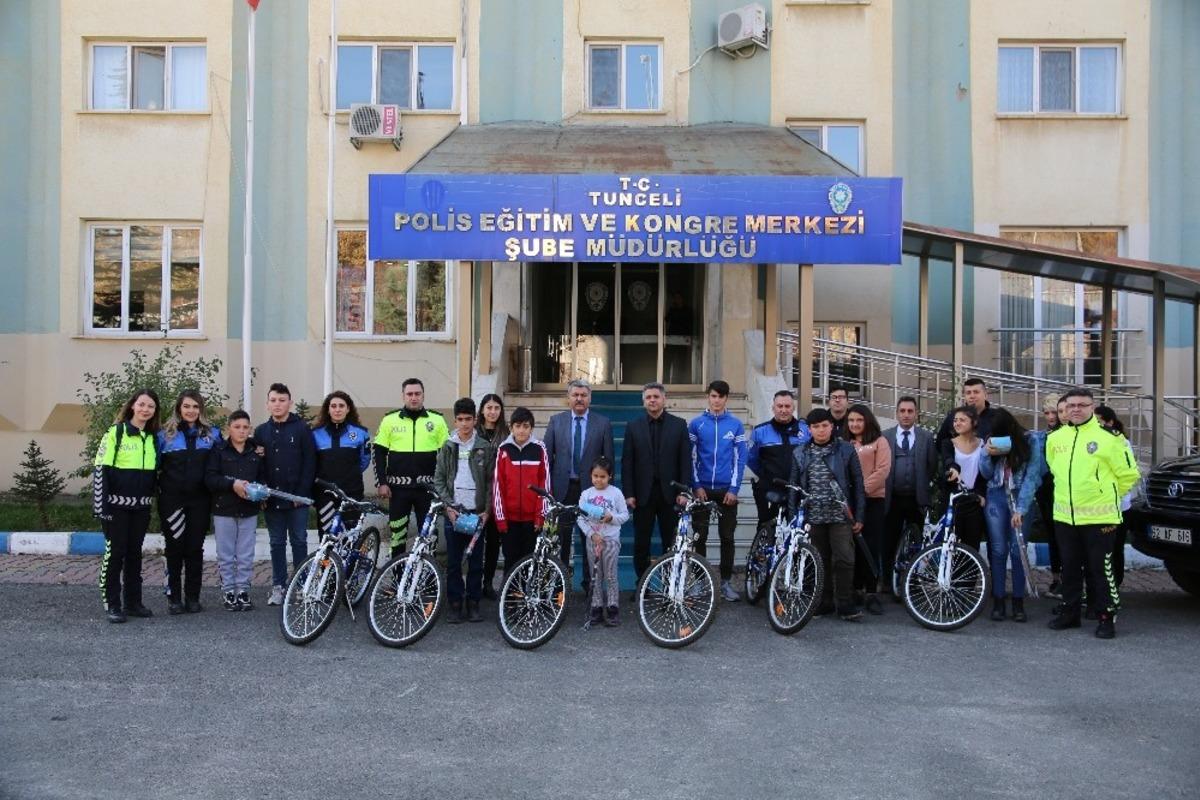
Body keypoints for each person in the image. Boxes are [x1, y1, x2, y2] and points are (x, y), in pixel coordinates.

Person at [1046, 388, 1140, 639]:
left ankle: (1106, 616)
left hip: (1101, 518)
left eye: (1082, 405)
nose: (1076, 409)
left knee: (1101, 569)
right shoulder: (1056, 438)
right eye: (1071, 405)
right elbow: (1055, 470)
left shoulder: (1111, 438)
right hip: (1065, 516)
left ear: (1092, 407)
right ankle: (1070, 613)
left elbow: (1128, 475)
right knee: (1070, 568)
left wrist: (1105, 495)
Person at [788, 408, 866, 621]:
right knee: (818, 561)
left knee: (844, 559)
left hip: (841, 515)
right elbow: (793, 487)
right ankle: (824, 601)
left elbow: (858, 484)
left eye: (824, 426)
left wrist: (859, 516)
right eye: (816, 427)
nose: (821, 430)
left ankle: (845, 603)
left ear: (832, 427)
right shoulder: (800, 452)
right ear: (809, 429)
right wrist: (794, 517)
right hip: (813, 516)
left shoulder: (846, 450)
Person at [93, 389, 161, 623]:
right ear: (133, 406)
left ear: (155, 411)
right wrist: (101, 507)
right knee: (116, 553)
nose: (145, 409)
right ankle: (112, 603)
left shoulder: (153, 438)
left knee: (134, 554)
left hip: (141, 507)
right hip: (115, 507)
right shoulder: (116, 433)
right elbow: (101, 469)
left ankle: (133, 602)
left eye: (150, 406)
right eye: (142, 404)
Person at [542, 380, 614, 594]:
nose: (579, 399)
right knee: (561, 540)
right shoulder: (556, 422)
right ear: (569, 398)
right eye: (575, 395)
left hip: (591, 493)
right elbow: (547, 459)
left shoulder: (602, 423)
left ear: (589, 398)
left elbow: (609, 461)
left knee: (590, 541)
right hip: (562, 490)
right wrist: (548, 492)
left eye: (583, 395)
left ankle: (589, 585)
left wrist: (608, 495)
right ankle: (559, 585)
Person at [157, 390, 221, 615]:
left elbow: (226, 458)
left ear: (201, 409)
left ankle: (193, 597)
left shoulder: (212, 435)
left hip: (200, 501)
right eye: (186, 406)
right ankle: (173, 597)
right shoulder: (165, 436)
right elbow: (153, 467)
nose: (191, 411)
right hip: (172, 501)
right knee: (174, 548)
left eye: (195, 406)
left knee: (195, 549)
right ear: (178, 409)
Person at [979, 408, 1046, 622]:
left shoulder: (1030, 441)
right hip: (996, 495)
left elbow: (1033, 476)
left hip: (1020, 495)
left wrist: (1022, 509)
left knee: (1018, 550)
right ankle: (998, 600)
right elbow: (986, 474)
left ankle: (1018, 601)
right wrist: (986, 454)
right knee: (998, 550)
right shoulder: (992, 442)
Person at [621, 382, 691, 588]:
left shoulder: (679, 425)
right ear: (644, 401)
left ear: (664, 400)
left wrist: (684, 490)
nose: (652, 400)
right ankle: (642, 586)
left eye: (656, 397)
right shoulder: (633, 427)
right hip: (642, 495)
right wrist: (629, 493)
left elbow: (685, 461)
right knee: (641, 543)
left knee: (670, 543)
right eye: (648, 397)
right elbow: (627, 463)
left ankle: (670, 587)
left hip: (671, 495)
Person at [434, 398, 495, 624]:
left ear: (475, 419)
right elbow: (439, 480)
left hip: (476, 513)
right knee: (453, 562)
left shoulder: (485, 447)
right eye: (460, 420)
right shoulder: (448, 446)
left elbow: (490, 482)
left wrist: (487, 510)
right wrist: (448, 506)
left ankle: (474, 603)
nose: (464, 424)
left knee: (476, 562)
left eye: (468, 419)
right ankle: (455, 603)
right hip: (454, 512)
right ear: (455, 420)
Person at [256, 383, 317, 606]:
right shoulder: (261, 431)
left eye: (282, 400)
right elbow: (258, 464)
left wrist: (299, 495)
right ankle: (279, 587)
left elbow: (310, 462)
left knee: (299, 541)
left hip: (297, 500)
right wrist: (262, 492)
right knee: (276, 543)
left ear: (290, 402)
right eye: (273, 400)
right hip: (271, 499)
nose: (277, 404)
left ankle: (301, 587)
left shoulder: (302, 428)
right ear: (268, 403)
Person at [374, 378, 449, 559]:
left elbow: (447, 457)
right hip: (398, 490)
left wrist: (443, 486)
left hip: (428, 490)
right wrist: (382, 482)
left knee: (429, 537)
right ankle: (397, 582)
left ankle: (427, 582)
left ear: (423, 395)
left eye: (417, 394)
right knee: (397, 536)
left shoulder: (437, 420)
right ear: (403, 396)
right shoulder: (389, 420)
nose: (413, 398)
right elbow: (378, 453)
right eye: (409, 394)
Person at [688, 380, 748, 602]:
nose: (717, 400)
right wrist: (696, 486)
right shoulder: (696, 424)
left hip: (726, 491)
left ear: (726, 399)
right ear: (708, 397)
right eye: (713, 396)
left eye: (721, 397)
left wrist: (734, 489)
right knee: (699, 537)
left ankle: (724, 583)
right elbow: (690, 457)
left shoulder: (735, 425)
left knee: (727, 537)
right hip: (702, 489)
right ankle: (698, 583)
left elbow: (740, 459)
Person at [205, 410, 265, 612]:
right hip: (224, 509)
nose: (241, 431)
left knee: (246, 554)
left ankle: (243, 590)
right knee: (226, 554)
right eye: (237, 427)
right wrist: (233, 484)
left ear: (250, 429)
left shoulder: (255, 452)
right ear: (228, 428)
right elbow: (211, 478)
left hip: (248, 510)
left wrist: (259, 491)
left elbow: (263, 479)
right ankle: (229, 591)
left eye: (245, 427)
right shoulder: (219, 450)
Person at [881, 396, 938, 599]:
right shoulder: (885, 436)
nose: (906, 415)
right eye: (902, 411)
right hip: (892, 498)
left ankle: (912, 582)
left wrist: (922, 484)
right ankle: (886, 581)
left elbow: (932, 466)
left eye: (910, 411)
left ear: (916, 414)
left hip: (916, 498)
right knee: (889, 540)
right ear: (896, 413)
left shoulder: (926, 437)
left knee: (916, 542)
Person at [492, 407, 551, 575]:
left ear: (531, 428)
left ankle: (528, 598)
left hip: (532, 520)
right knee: (511, 560)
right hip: (509, 519)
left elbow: (544, 485)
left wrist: (540, 517)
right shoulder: (503, 450)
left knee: (530, 560)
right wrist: (501, 518)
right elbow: (498, 486)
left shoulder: (539, 449)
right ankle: (510, 598)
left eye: (526, 426)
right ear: (511, 428)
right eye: (517, 426)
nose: (521, 430)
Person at [844, 404, 891, 615]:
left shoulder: (880, 442)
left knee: (870, 546)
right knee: (851, 546)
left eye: (859, 420)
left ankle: (871, 591)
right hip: (849, 502)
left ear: (867, 421)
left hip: (873, 501)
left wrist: (861, 491)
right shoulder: (844, 443)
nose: (854, 424)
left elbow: (882, 470)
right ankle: (855, 590)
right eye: (851, 420)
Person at [577, 457, 630, 627]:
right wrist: (591, 534)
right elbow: (580, 518)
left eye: (602, 476)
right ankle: (596, 608)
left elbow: (625, 515)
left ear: (610, 477)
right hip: (593, 541)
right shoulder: (586, 495)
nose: (598, 480)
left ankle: (613, 608)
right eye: (595, 476)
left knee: (610, 575)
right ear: (591, 476)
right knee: (596, 575)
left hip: (610, 541)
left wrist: (611, 517)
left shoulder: (616, 493)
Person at [311, 391, 371, 537]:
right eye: (333, 406)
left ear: (348, 409)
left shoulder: (360, 433)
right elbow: (312, 463)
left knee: (350, 536)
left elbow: (364, 460)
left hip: (352, 492)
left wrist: (350, 474)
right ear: (328, 409)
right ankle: (328, 561)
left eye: (341, 406)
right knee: (327, 536)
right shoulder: (315, 434)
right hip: (325, 494)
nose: (337, 409)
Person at [748, 389, 811, 528]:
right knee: (766, 528)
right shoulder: (760, 431)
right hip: (770, 489)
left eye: (787, 406)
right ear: (773, 408)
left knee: (798, 532)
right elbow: (752, 459)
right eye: (780, 406)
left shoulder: (805, 431)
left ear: (793, 408)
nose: (783, 410)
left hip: (798, 488)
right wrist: (766, 475)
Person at [1095, 404, 1138, 591]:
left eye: (1099, 422)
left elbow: (1128, 476)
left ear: (1110, 422)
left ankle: (1114, 587)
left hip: (1119, 507)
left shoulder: (1121, 443)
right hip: (1099, 507)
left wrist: (1113, 496)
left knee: (1114, 550)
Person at [475, 393, 509, 600]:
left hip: (498, 494)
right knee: (476, 540)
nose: (492, 412)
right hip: (477, 493)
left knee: (494, 542)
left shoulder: (506, 433)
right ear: (482, 410)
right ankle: (473, 583)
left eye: (496, 408)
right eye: (489, 407)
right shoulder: (474, 432)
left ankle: (488, 583)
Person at [938, 406, 986, 551]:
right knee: (950, 546)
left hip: (974, 500)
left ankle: (972, 574)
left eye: (962, 420)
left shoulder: (983, 444)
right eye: (955, 420)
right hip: (954, 500)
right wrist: (953, 469)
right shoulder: (948, 443)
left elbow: (985, 472)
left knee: (972, 546)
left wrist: (981, 494)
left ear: (973, 423)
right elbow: (948, 460)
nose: (957, 423)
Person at [1035, 394, 1065, 599]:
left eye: (1054, 412)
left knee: (1063, 538)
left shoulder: (1067, 435)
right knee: (1053, 537)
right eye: (1047, 413)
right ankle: (1057, 578)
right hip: (1046, 493)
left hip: (1061, 492)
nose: (1051, 416)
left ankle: (1067, 580)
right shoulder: (1044, 435)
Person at [935, 378, 997, 448]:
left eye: (976, 392)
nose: (972, 396)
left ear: (985, 395)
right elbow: (940, 443)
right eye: (968, 393)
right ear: (964, 396)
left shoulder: (997, 417)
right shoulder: (954, 416)